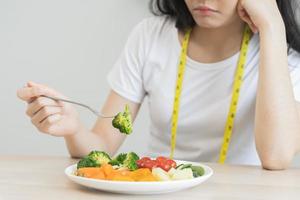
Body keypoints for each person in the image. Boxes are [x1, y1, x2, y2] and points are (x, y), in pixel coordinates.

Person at [17, 0, 300, 170]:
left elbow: (276, 157)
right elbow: (102, 147)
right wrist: (73, 129)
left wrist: (273, 27)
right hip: (161, 191)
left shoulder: (279, 55)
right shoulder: (151, 37)